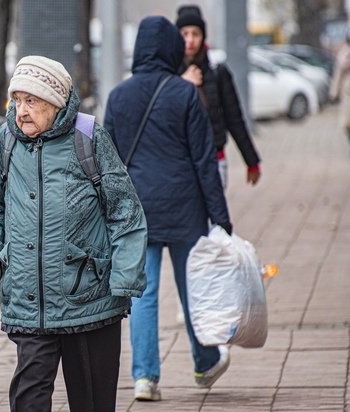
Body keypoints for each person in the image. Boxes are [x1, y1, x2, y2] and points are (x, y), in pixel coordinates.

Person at [0, 55, 147, 412]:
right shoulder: (6, 141)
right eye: (17, 100)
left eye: (31, 101)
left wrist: (125, 280)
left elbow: (125, 211)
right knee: (28, 400)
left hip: (88, 298)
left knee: (93, 403)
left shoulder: (88, 136)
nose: (21, 110)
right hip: (30, 299)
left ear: (56, 102)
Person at [104, 16, 232, 401]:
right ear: (173, 49)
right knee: (192, 287)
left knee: (143, 294)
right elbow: (204, 161)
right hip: (185, 209)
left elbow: (107, 161)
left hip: (137, 210)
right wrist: (221, 218)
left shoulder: (119, 96)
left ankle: (144, 377)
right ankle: (204, 361)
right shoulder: (184, 93)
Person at [176, 5, 261, 188]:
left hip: (215, 159)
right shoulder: (169, 74)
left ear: (203, 37)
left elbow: (234, 118)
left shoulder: (217, 72)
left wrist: (251, 160)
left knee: (214, 215)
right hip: (181, 164)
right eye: (184, 34)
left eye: (195, 34)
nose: (190, 40)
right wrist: (181, 84)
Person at [329, 35, 350, 150]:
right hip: (348, 93)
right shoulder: (344, 55)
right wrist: (334, 92)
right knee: (347, 125)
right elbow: (338, 75)